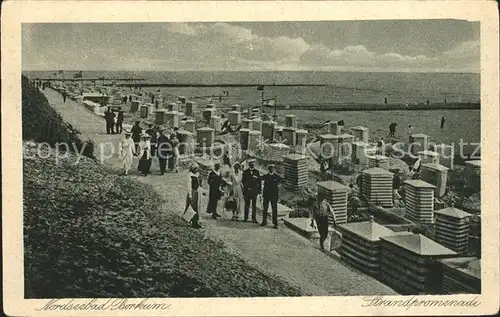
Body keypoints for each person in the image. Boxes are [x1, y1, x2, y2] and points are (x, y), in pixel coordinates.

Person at [260, 164, 282, 229]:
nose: (271, 169)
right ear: (268, 169)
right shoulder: (266, 176)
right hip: (266, 195)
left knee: (274, 210)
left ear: (274, 169)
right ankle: (264, 221)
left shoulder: (277, 176)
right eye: (270, 168)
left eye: (272, 168)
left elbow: (282, 182)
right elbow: (259, 178)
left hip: (274, 196)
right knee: (265, 209)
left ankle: (275, 223)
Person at [242, 159, 261, 223]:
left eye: (253, 164)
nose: (252, 165)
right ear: (249, 164)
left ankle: (254, 218)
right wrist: (246, 188)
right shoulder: (245, 172)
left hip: (254, 191)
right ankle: (245, 217)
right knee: (247, 204)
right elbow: (243, 181)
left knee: (254, 205)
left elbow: (259, 182)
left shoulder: (257, 172)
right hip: (247, 191)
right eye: (251, 163)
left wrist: (259, 190)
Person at [186, 163, 203, 229]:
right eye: (195, 168)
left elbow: (200, 185)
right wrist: (190, 195)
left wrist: (202, 191)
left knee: (198, 207)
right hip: (193, 192)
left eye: (197, 168)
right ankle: (194, 222)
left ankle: (197, 221)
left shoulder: (198, 175)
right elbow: (189, 186)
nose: (196, 170)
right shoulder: (190, 176)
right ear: (192, 169)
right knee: (193, 207)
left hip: (198, 192)